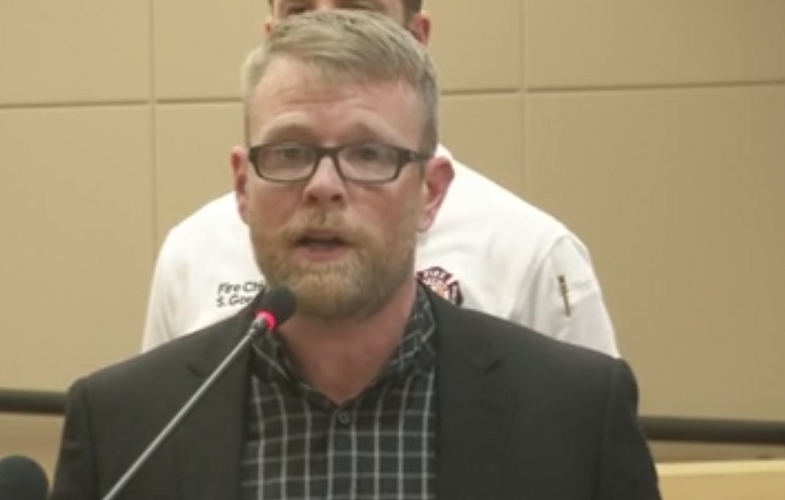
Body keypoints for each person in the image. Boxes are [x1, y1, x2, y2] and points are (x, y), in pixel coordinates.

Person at [51, 11, 659, 500]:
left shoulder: (574, 415)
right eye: (290, 153)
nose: (323, 186)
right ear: (242, 187)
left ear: (431, 193)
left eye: (369, 154)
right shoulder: (127, 426)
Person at [139, 0, 620, 357]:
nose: (329, 28)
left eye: (358, 10)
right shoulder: (193, 251)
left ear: (417, 36)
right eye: (300, 13)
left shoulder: (532, 252)